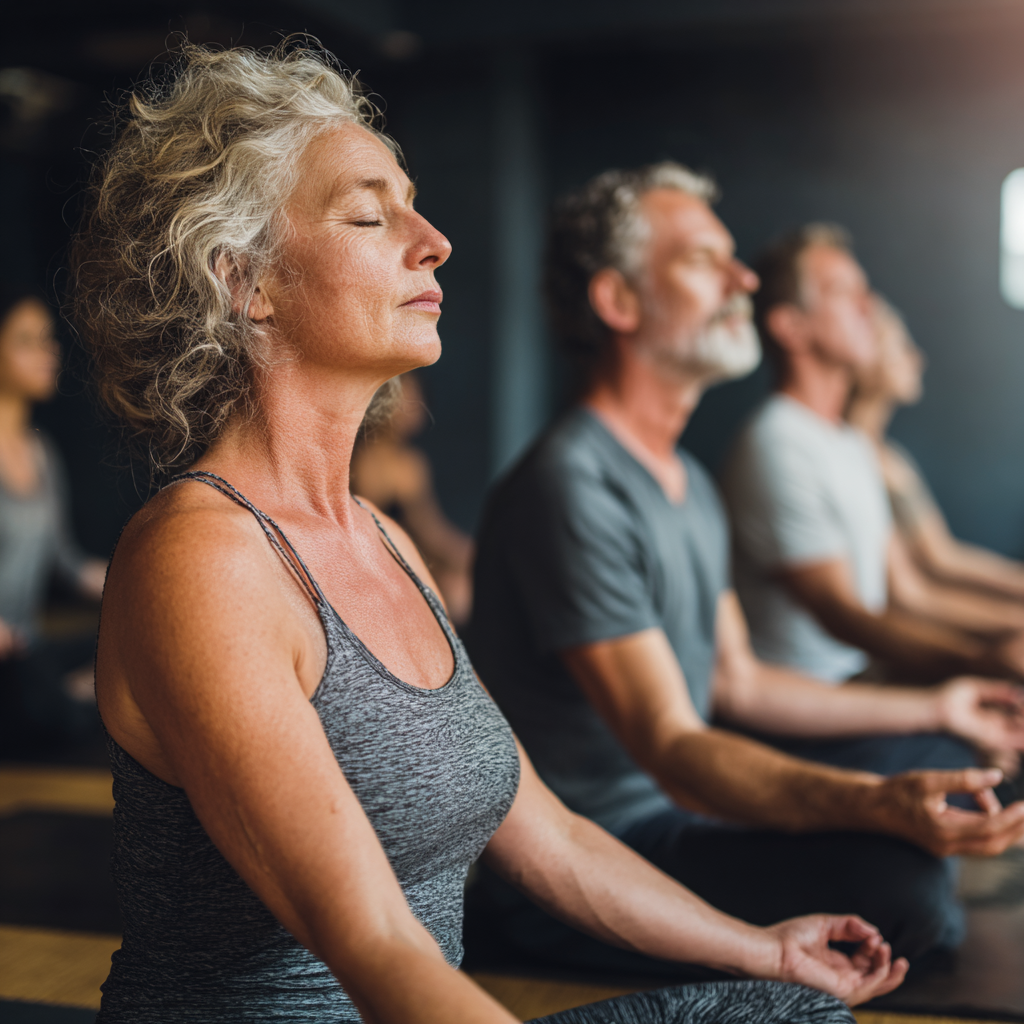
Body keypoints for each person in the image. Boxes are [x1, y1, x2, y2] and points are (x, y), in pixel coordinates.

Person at [70, 42, 903, 1024]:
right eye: (371, 215)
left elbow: (544, 832)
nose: (433, 241)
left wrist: (761, 947)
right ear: (244, 280)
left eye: (414, 204)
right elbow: (374, 948)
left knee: (792, 1011)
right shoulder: (200, 556)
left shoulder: (383, 539)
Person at [466, 164, 1024, 978]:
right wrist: (874, 805)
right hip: (594, 855)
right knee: (904, 894)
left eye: (735, 257)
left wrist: (937, 699)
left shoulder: (688, 482)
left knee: (948, 775)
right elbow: (668, 741)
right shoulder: (572, 483)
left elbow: (741, 684)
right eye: (702, 259)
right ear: (619, 302)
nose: (744, 279)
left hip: (679, 810)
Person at [722, 225, 1024, 685]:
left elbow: (902, 589)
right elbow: (842, 614)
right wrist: (982, 660)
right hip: (817, 703)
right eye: (843, 293)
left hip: (862, 678)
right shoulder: (778, 442)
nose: (868, 307)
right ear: (790, 327)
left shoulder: (846, 442)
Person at [848, 295, 1024, 603]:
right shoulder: (847, 454)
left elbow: (943, 556)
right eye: (900, 347)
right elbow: (910, 593)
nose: (917, 358)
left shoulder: (889, 455)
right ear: (862, 353)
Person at [0, 287, 106, 745]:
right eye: (27, 340)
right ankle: (79, 698)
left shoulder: (41, 452)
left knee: (141, 645)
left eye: (48, 338)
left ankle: (83, 694)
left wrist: (140, 585)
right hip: (12, 664)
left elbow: (67, 561)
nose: (49, 351)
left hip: (32, 654)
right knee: (44, 700)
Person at [351, 372, 474, 625]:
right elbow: (430, 534)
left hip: (392, 563)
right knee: (457, 591)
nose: (417, 406)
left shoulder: (397, 461)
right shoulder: (385, 464)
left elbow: (432, 533)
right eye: (406, 398)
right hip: (378, 568)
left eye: (418, 397)